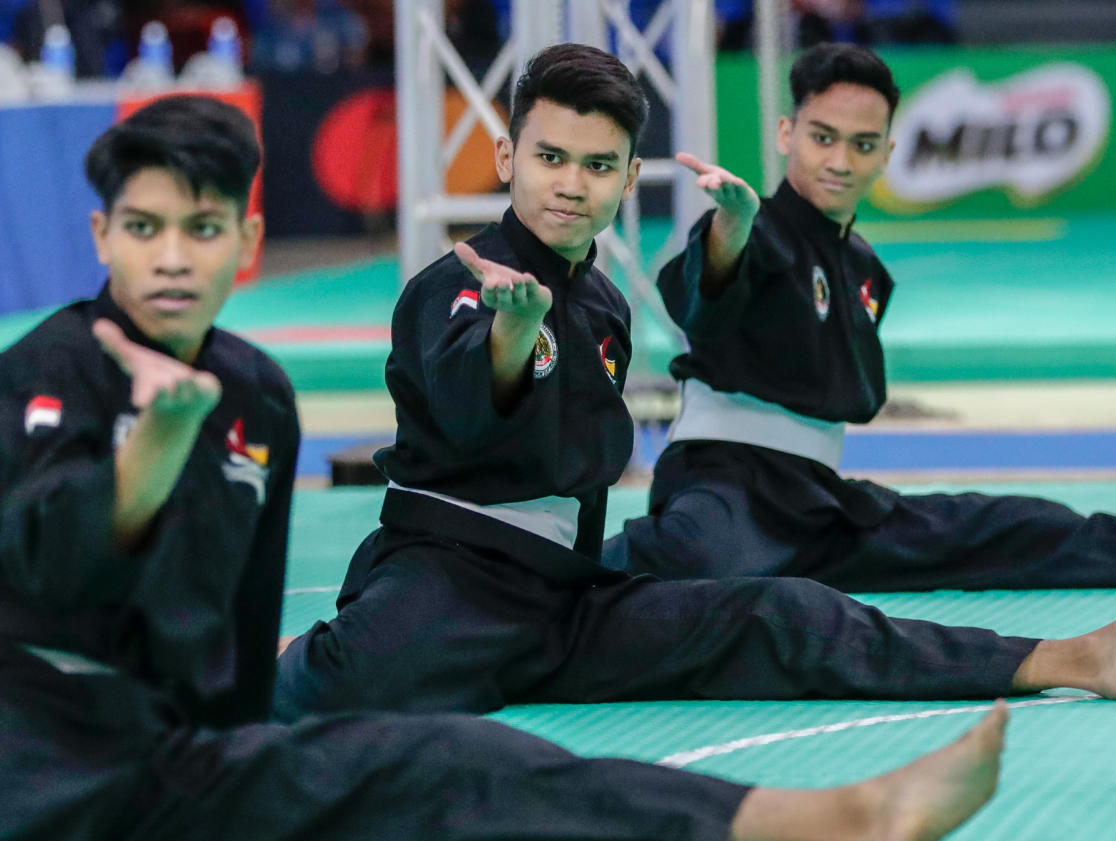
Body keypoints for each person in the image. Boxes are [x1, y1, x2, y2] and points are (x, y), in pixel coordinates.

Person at [0, 93, 1024, 841]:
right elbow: (46, 553)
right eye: (145, 229)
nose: (174, 257)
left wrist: (223, 752)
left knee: (752, 623)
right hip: (418, 604)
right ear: (101, 234)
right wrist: (149, 454)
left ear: (248, 240)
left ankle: (856, 800)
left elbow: (237, 597)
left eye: (203, 228)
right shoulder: (52, 369)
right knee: (371, 727)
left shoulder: (255, 388)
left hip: (558, 602)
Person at [274, 43, 1116, 729]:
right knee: (287, 690)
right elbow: (487, 396)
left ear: (629, 176)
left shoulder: (601, 300)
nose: (571, 184)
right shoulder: (462, 283)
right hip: (456, 587)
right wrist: (516, 334)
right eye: (550, 158)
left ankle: (1082, 657)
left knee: (789, 612)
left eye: (598, 166)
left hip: (571, 596)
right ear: (507, 156)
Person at [600, 42, 1116, 594]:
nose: (841, 161)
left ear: (888, 151)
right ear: (786, 134)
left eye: (863, 145)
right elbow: (702, 307)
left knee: (1019, 527)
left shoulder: (864, 269)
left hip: (821, 504)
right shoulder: (755, 229)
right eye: (822, 137)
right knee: (654, 584)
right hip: (726, 496)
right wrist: (729, 230)